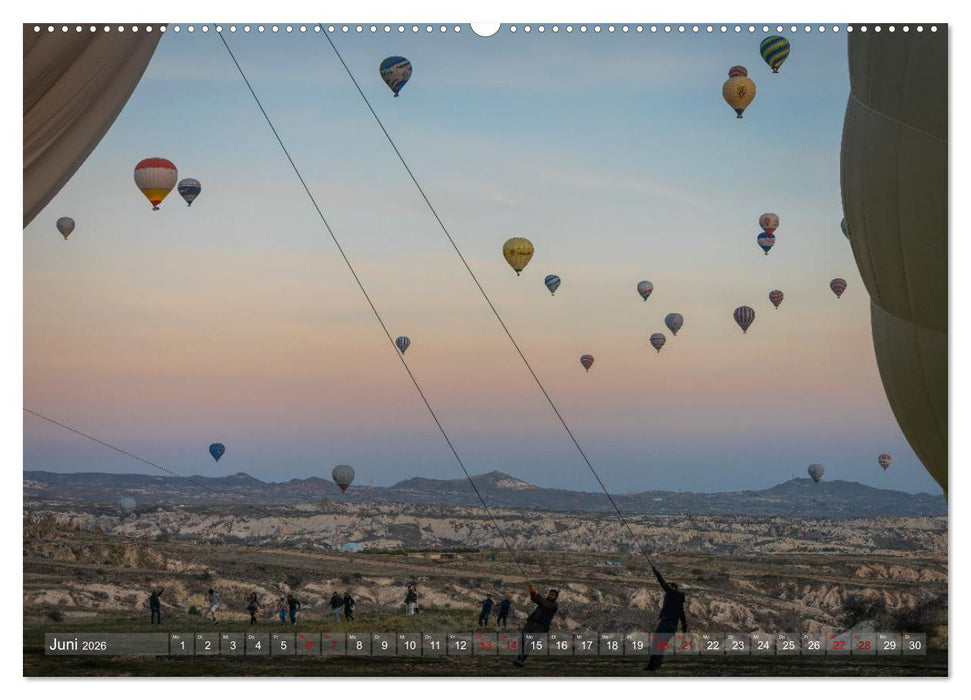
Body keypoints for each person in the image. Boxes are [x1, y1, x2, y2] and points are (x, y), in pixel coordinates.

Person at [644, 565, 688, 672]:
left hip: (665, 623)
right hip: (673, 627)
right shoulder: (679, 602)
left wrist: (656, 571)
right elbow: (682, 615)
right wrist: (684, 627)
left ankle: (652, 665)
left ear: (673, 588)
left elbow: (661, 581)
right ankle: (657, 665)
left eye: (669, 587)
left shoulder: (671, 594)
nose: (667, 588)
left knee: (656, 644)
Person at [513, 583, 558, 667]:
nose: (551, 595)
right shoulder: (543, 601)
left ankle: (521, 660)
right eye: (550, 594)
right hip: (530, 623)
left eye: (553, 595)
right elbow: (534, 599)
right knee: (521, 639)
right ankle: (520, 658)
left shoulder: (554, 606)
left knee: (530, 644)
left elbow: (545, 604)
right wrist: (532, 591)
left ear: (555, 597)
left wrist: (538, 594)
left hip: (539, 628)